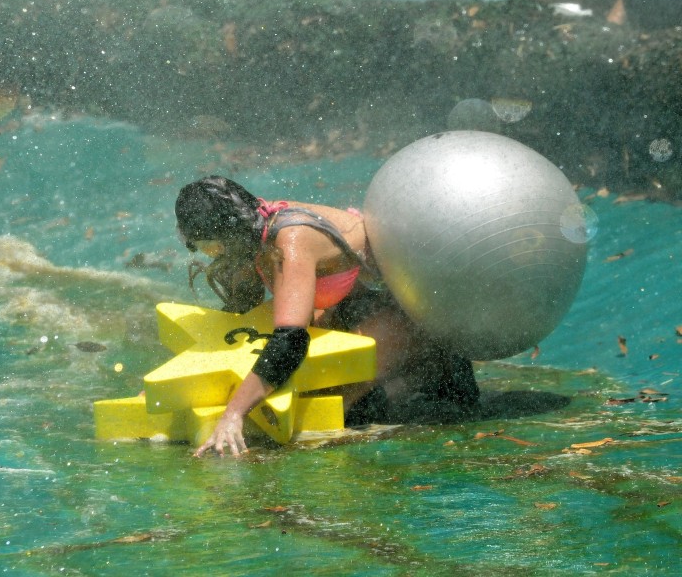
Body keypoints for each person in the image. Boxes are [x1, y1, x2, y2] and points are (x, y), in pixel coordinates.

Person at [175, 176, 478, 457]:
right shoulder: (252, 229)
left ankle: (417, 385)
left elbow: (289, 342)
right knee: (291, 398)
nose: (207, 254)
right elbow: (239, 325)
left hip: (413, 318)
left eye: (207, 246)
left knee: (343, 412)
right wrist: (187, 387)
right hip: (355, 310)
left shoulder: (290, 240)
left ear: (230, 234)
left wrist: (233, 414)